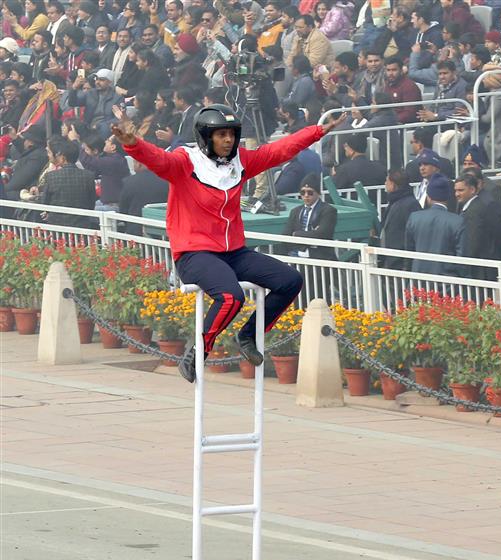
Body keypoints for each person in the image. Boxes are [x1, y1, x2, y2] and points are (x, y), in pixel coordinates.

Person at [111, 103, 347, 382]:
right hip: (194, 254)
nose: (228, 140)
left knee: (290, 280)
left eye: (232, 134)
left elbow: (280, 150)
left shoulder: (241, 161)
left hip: (233, 253)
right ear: (205, 137)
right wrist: (133, 144)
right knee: (230, 297)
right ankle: (198, 351)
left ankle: (247, 335)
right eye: (221, 135)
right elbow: (157, 159)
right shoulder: (184, 161)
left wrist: (318, 130)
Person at [404, 174, 465, 275]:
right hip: (447, 282)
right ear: (448, 196)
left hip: (419, 280)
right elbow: (462, 258)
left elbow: (409, 251)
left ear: (428, 196)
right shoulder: (457, 221)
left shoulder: (414, 217)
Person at [35, 135, 97, 226]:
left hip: (57, 225)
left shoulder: (51, 176)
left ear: (62, 157)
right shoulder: (89, 176)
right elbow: (91, 203)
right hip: (82, 225)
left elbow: (45, 203)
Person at [454, 172, 498, 278]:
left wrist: (463, 265)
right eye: (455, 190)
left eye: (461, 190)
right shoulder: (472, 206)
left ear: (472, 190)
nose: (457, 194)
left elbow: (472, 243)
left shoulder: (475, 211)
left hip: (477, 270)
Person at [378, 167, 420, 269]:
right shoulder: (395, 202)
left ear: (393, 184)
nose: (385, 183)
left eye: (387, 180)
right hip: (392, 259)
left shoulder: (409, 204)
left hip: (400, 262)